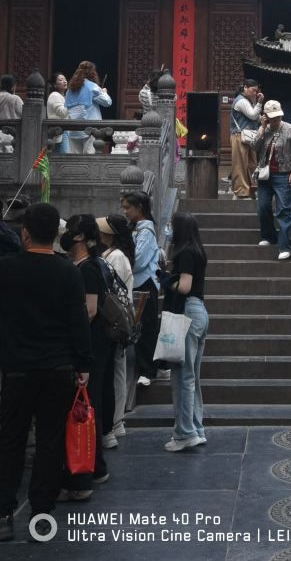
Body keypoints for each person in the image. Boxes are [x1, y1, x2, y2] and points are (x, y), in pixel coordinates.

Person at [0, 204, 91, 542]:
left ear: (24, 232)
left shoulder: (6, 268)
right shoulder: (68, 271)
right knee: (50, 441)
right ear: (55, 234)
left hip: (16, 369)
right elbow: (78, 322)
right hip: (59, 367)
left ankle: (4, 513)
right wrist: (84, 365)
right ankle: (41, 512)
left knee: (10, 440)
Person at [58, 214, 114, 499]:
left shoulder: (88, 268)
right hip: (94, 344)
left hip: (91, 345)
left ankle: (86, 472)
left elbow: (89, 309)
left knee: (85, 407)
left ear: (80, 237)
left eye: (70, 230)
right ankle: (97, 466)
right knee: (90, 407)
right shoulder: (90, 264)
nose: (65, 234)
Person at [162, 213, 209, 451]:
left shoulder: (185, 253)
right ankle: (195, 428)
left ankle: (184, 433)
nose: (169, 229)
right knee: (191, 376)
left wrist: (165, 279)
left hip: (187, 311)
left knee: (182, 376)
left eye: (171, 225)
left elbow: (184, 287)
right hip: (199, 312)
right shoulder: (198, 251)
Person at [97, 214, 135, 447]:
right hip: (114, 321)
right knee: (116, 369)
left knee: (117, 371)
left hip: (115, 321)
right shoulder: (111, 254)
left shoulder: (117, 257)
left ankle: (116, 420)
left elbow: (116, 295)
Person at [251, 99, 291, 261]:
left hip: (283, 174)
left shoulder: (290, 129)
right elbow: (253, 146)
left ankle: (285, 246)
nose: (275, 120)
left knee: (284, 210)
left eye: (277, 117)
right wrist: (262, 127)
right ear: (265, 116)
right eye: (272, 117)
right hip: (264, 174)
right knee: (263, 207)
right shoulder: (263, 129)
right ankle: (268, 236)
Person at [121, 192, 160, 386]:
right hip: (136, 283)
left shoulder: (146, 231)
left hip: (145, 283)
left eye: (128, 207)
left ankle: (148, 371)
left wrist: (122, 263)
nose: (125, 211)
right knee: (139, 326)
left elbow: (139, 261)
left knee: (146, 328)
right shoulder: (135, 229)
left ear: (140, 208)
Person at [64, 61, 112, 154]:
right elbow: (107, 102)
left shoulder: (70, 89)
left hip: (73, 129)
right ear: (92, 73)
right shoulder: (92, 87)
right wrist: (104, 92)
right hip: (90, 129)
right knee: (89, 158)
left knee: (74, 159)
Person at [230, 79, 264, 199]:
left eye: (256, 91)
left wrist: (256, 104)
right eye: (253, 90)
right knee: (240, 165)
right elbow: (253, 115)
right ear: (245, 87)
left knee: (251, 164)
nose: (255, 93)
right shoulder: (241, 101)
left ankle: (250, 190)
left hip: (248, 137)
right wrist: (259, 102)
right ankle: (241, 192)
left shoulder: (248, 101)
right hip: (239, 136)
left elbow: (257, 117)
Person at [47, 72, 70, 155]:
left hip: (65, 131)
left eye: (65, 79)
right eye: (60, 80)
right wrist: (72, 103)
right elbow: (62, 113)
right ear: (55, 84)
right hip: (60, 132)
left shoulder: (64, 96)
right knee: (63, 157)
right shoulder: (54, 95)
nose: (64, 81)